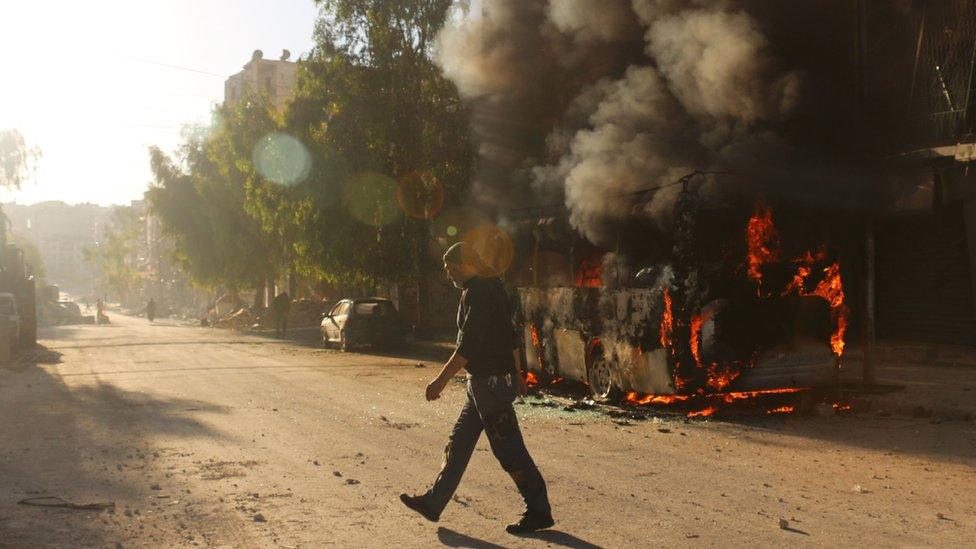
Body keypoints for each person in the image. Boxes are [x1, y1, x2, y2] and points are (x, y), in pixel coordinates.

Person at [400, 242, 553, 534]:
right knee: (459, 443)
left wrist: (440, 380)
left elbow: (468, 345)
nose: (448, 275)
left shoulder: (477, 293)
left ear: (461, 264)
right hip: (484, 384)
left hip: (490, 384)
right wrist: (518, 373)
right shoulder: (492, 287)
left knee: (508, 448)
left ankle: (539, 510)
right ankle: (434, 502)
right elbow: (510, 336)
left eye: (449, 269)